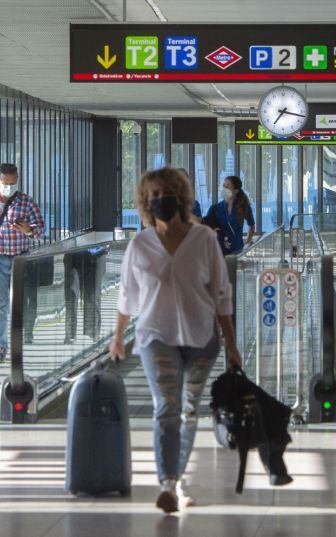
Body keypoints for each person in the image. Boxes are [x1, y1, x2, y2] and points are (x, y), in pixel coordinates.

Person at [108, 167, 242, 514]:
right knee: (166, 408)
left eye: (164, 194)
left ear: (180, 198)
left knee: (187, 411)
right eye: (151, 196)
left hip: (201, 337)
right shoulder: (140, 244)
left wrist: (232, 344)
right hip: (155, 337)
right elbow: (127, 295)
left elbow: (221, 294)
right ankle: (167, 482)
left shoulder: (203, 240)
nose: (158, 200)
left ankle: (179, 479)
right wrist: (119, 337)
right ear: (144, 201)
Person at [0, 163, 45, 366]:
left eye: (13, 183)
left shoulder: (26, 202)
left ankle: (18, 343)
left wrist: (29, 230)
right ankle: (0, 347)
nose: (9, 187)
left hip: (20, 259)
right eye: (5, 183)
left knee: (20, 303)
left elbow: (41, 229)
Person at [204, 175, 255, 255]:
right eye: (223, 186)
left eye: (227, 187)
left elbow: (251, 225)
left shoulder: (243, 206)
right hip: (219, 250)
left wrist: (247, 242)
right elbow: (206, 227)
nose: (224, 189)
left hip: (237, 250)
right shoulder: (215, 208)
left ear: (236, 190)